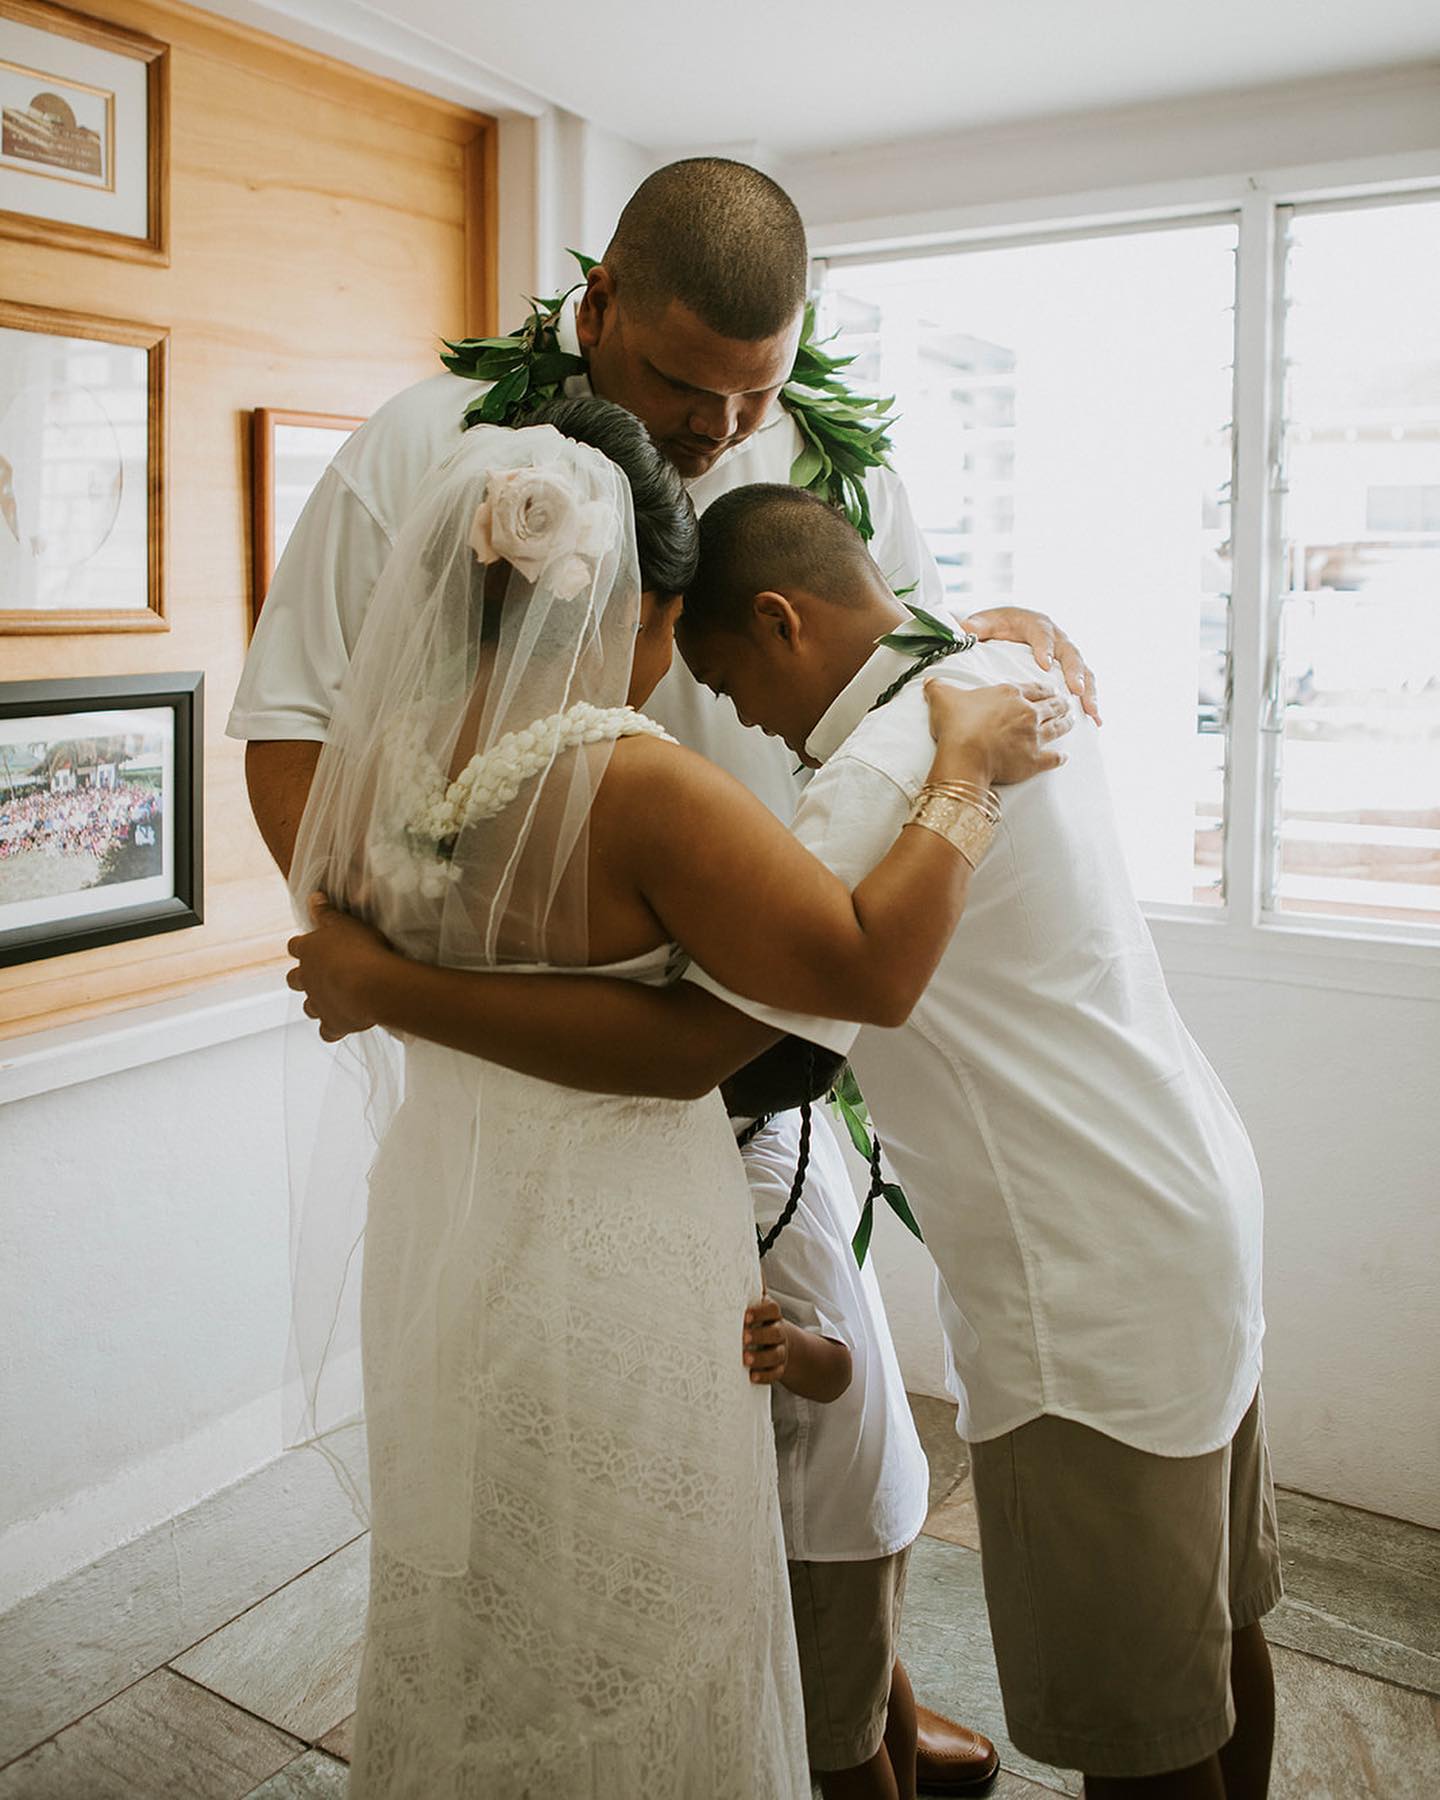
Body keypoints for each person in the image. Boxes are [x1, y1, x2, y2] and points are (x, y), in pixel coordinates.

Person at [240, 154, 1092, 1787]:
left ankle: (859, 1703)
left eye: (752, 396)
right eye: (681, 389)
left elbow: (883, 657)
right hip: (545, 1049)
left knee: (829, 1422)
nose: (717, 431)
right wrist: (433, 935)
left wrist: (992, 626)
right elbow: (295, 742)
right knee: (568, 1470)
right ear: (599, 301)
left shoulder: (843, 468)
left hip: (762, 1033)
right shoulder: (430, 451)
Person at [293, 479, 1278, 1800]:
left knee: (1139, 1737)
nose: (737, 717)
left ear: (777, 620)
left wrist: (390, 989)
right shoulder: (991, 661)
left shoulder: (880, 773)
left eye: (723, 675)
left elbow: (705, 1043)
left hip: (1084, 1287)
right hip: (1193, 1202)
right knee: (1219, 1641)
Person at [734, 1074, 992, 1800]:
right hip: (872, 1493)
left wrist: (782, 1345)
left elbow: (835, 1364)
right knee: (874, 1689)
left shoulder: (757, 1192)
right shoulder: (791, 1126)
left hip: (824, 1523)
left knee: (840, 1748)